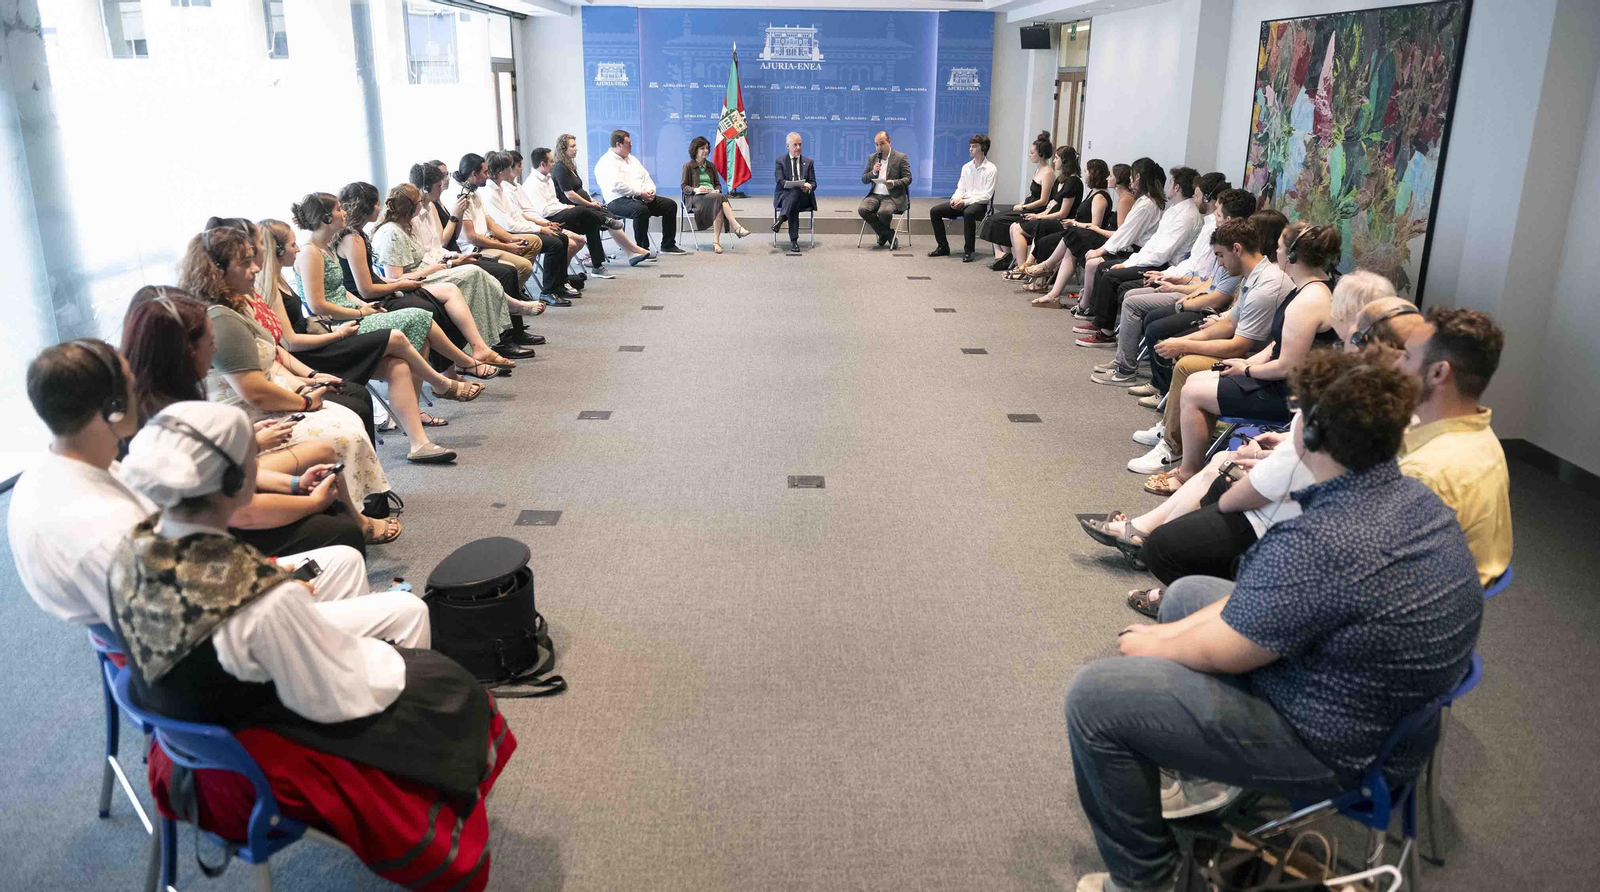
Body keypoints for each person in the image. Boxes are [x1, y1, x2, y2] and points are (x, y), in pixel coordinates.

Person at [1066, 350, 1482, 892]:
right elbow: (1259, 605)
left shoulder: (1322, 536)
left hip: (1340, 744)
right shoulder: (1408, 497)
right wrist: (1168, 635)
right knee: (1187, 595)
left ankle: (1150, 881)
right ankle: (1210, 779)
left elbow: (1230, 647)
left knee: (1096, 698)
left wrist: (1152, 648)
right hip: (1386, 712)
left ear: (1308, 435)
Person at [108, 400, 515, 892]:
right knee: (453, 691)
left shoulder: (133, 545)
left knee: (379, 616)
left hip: (181, 739)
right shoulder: (261, 601)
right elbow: (330, 695)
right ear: (237, 482)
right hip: (247, 762)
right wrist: (387, 658)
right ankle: (434, 831)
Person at [8, 341, 384, 628]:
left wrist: (257, 567)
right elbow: (175, 608)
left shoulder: (75, 467)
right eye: (128, 384)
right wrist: (261, 588)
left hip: (192, 585)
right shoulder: (102, 527)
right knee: (403, 612)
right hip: (203, 629)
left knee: (345, 561)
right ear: (113, 409)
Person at [121, 289, 389, 552]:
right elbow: (239, 509)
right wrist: (313, 503)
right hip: (214, 530)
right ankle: (352, 529)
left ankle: (356, 521)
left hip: (217, 502)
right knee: (337, 526)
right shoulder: (171, 416)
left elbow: (223, 477)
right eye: (209, 342)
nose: (216, 348)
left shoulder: (170, 397)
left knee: (327, 455)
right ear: (186, 351)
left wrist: (294, 483)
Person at [180, 226, 396, 512]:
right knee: (348, 420)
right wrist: (305, 399)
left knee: (358, 394)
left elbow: (274, 351)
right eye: (246, 263)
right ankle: (350, 509)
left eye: (254, 259)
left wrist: (307, 377)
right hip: (251, 414)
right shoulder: (222, 319)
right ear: (216, 272)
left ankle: (365, 502)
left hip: (279, 384)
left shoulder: (237, 304)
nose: (255, 268)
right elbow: (255, 389)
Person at [1161, 224, 1342, 486]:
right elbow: (1277, 346)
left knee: (1193, 393)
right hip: (1280, 381)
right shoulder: (1305, 288)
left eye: (1279, 247)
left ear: (1291, 255)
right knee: (1195, 380)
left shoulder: (1309, 301)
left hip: (1290, 395)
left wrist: (1246, 370)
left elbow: (1286, 367)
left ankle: (1187, 474)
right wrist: (1246, 363)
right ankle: (1192, 464)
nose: (1275, 252)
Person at [1129, 214, 1293, 482]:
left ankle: (1173, 446)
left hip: (1255, 361)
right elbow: (1230, 323)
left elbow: (1240, 345)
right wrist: (1190, 341)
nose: (1218, 262)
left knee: (1186, 365)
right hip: (1252, 356)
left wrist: (1184, 343)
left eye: (1220, 255)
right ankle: (1170, 429)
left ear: (1237, 250)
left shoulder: (1267, 285)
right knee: (1184, 351)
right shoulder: (1254, 276)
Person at [292, 192, 511, 382]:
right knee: (421, 316)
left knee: (423, 318)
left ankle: (453, 373)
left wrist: (364, 307)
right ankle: (456, 370)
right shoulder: (311, 252)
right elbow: (318, 305)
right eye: (339, 209)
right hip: (341, 322)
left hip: (354, 311)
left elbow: (341, 290)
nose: (344, 212)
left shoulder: (325, 248)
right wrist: (360, 311)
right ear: (327, 217)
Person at [1090, 188, 1257, 384]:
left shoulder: (1234, 253)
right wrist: (1175, 282)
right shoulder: (1219, 239)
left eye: (1218, 214)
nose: (1214, 216)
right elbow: (1207, 281)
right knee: (1130, 295)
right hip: (1192, 289)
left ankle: (1129, 370)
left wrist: (1181, 298)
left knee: (1141, 310)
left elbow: (1217, 296)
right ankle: (1125, 363)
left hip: (1204, 305)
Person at [1396, 308, 1513, 585]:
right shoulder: (1479, 434)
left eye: (1407, 356)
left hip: (1418, 606)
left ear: (1438, 372)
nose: (1397, 366)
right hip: (1459, 591)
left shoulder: (1426, 473)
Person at [409, 162, 548, 340]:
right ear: (426, 186)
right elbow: (450, 241)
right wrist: (455, 218)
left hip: (452, 255)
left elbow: (439, 246)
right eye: (441, 179)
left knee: (509, 269)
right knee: (503, 272)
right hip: (454, 256)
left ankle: (512, 324)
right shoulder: (438, 205)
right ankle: (507, 332)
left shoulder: (435, 206)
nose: (446, 181)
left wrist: (456, 256)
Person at [1073, 167, 1205, 345]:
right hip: (1153, 259)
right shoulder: (1175, 210)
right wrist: (1130, 262)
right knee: (1106, 268)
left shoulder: (1187, 216)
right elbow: (1154, 243)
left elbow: (1161, 254)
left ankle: (1105, 332)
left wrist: (1127, 264)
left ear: (1177, 187)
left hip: (1164, 266)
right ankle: (1100, 323)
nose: (1167, 186)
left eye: (1171, 182)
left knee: (1110, 275)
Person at [524, 146, 651, 273]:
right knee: (582, 211)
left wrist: (570, 206)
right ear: (542, 164)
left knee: (592, 223)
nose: (553, 163)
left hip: (559, 211)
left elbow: (554, 202)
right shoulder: (533, 183)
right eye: (551, 161)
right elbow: (545, 211)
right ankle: (605, 221)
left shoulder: (548, 178)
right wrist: (569, 207)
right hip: (548, 220)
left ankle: (597, 266)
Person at [1072, 157, 1167, 315]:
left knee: (1093, 263)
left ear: (1137, 177)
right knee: (1078, 242)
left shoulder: (1146, 204)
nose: (1130, 179)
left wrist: (1101, 250)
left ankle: (1089, 307)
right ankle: (1087, 304)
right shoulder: (1145, 201)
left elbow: (1125, 233)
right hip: (1135, 248)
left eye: (1132, 175)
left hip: (1137, 251)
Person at [483, 152, 582, 300]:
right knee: (555, 243)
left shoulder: (501, 188)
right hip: (509, 234)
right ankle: (548, 292)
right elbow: (508, 225)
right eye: (509, 167)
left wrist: (542, 225)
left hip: (518, 229)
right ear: (500, 171)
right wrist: (540, 228)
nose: (512, 169)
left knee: (561, 238)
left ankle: (559, 285)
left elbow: (519, 215)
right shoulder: (490, 193)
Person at [1021, 158, 1118, 302]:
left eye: (1086, 171)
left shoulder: (1100, 198)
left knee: (1049, 240)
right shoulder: (1093, 192)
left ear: (1093, 173)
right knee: (1046, 234)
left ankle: (1046, 269)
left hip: (1086, 236)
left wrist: (1074, 223)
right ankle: (1046, 277)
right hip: (1077, 232)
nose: (1084, 174)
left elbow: (1094, 226)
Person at [595, 129, 686, 255]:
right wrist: (639, 193)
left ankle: (668, 245)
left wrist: (650, 191)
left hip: (640, 197)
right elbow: (617, 186)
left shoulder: (632, 160)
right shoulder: (606, 162)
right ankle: (642, 249)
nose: (631, 145)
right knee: (641, 210)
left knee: (670, 205)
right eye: (628, 143)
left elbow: (646, 177)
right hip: (617, 201)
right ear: (618, 144)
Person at [980, 131, 1056, 270]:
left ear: (1041, 154)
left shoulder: (1048, 173)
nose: (1029, 155)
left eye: (1032, 152)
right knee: (994, 219)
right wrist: (1022, 204)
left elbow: (1043, 201)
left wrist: (1024, 208)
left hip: (1035, 209)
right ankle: (1003, 256)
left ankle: (1004, 256)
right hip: (1028, 205)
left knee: (997, 221)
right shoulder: (1039, 169)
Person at [1003, 146, 1083, 277]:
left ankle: (1026, 266)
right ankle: (1023, 265)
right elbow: (1052, 206)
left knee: (1019, 228)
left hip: (1062, 222)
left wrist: (1039, 218)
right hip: (1052, 218)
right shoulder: (1060, 180)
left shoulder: (1073, 182)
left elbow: (1063, 213)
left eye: (1057, 158)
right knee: (1015, 226)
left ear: (1064, 161)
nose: (1054, 161)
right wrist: (1038, 215)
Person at [927, 134, 996, 262]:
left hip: (979, 204)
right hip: (963, 201)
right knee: (935, 211)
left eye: (974, 146)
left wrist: (965, 202)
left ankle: (969, 250)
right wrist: (955, 199)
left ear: (983, 148)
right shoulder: (966, 167)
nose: (970, 149)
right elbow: (960, 188)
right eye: (970, 146)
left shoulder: (991, 169)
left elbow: (986, 196)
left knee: (968, 212)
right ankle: (943, 247)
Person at [682, 136, 750, 253]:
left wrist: (717, 190)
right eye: (702, 148)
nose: (706, 151)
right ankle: (736, 227)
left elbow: (717, 184)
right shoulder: (688, 166)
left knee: (718, 202)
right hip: (696, 198)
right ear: (695, 150)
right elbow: (684, 187)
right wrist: (696, 189)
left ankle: (716, 242)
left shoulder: (711, 166)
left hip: (713, 196)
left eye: (707, 148)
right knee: (720, 199)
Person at [858, 130, 913, 249]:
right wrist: (873, 172)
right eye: (876, 144)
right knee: (863, 209)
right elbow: (864, 179)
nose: (879, 147)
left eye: (882, 143)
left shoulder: (900, 157)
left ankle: (883, 236)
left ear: (889, 142)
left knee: (884, 212)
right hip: (875, 195)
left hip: (892, 196)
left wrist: (893, 183)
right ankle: (888, 234)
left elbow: (908, 179)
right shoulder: (872, 158)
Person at [772, 131, 818, 254]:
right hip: (784, 196)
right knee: (794, 198)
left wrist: (808, 187)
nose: (798, 148)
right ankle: (794, 241)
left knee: (797, 193)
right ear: (788, 146)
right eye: (795, 145)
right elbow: (780, 181)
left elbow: (814, 183)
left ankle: (781, 219)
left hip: (804, 198)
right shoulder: (780, 161)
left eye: (800, 145)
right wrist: (796, 185)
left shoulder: (808, 162)